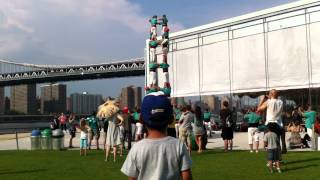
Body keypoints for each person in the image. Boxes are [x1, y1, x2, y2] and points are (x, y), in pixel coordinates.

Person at [121, 92, 192, 180]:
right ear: (171, 119)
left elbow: (132, 178)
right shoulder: (179, 146)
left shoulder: (136, 148)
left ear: (142, 119)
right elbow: (187, 177)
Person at [257, 89, 286, 154]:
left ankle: (271, 160)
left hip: (269, 123)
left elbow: (258, 109)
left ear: (271, 94)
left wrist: (262, 99)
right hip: (278, 123)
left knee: (269, 143)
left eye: (270, 93)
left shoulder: (268, 101)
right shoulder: (281, 102)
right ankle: (278, 160)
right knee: (277, 142)